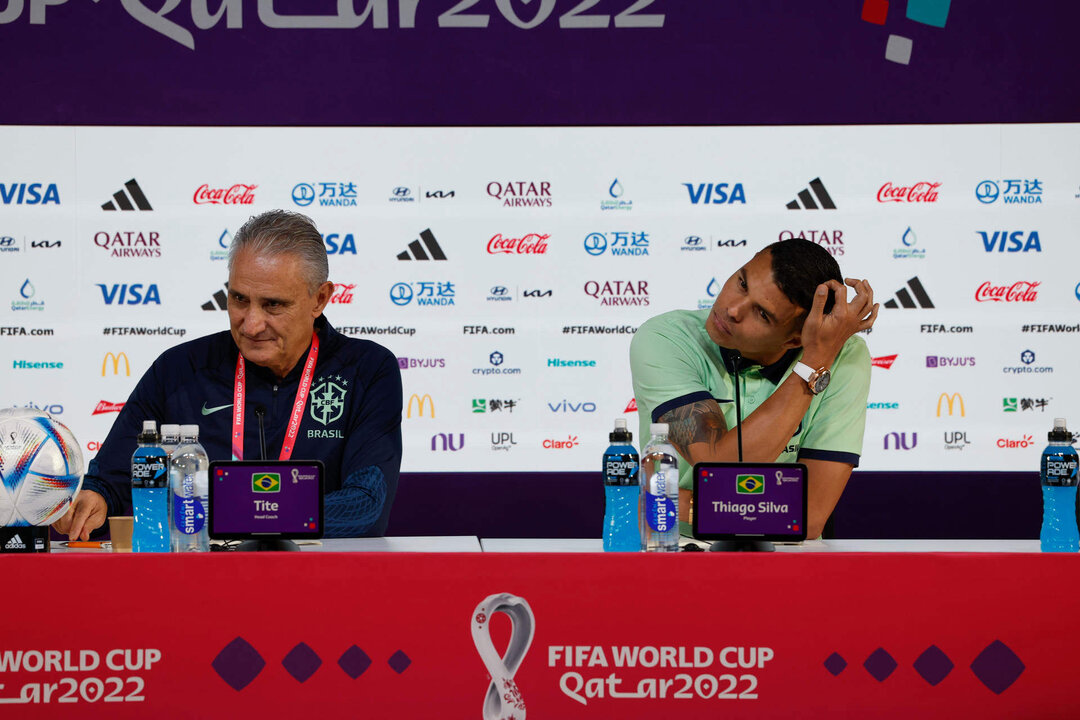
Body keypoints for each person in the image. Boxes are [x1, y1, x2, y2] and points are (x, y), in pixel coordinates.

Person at [54, 210, 402, 540]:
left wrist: (226, 513)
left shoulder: (367, 370)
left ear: (320, 299)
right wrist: (93, 498)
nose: (251, 324)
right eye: (238, 299)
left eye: (273, 305)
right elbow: (113, 480)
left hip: (316, 581)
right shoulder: (179, 368)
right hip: (200, 583)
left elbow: (365, 507)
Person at [630, 239, 877, 539]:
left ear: (793, 341)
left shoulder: (842, 357)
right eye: (742, 282)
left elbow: (810, 517)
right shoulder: (666, 338)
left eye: (762, 314)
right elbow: (717, 464)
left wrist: (815, 361)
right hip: (675, 546)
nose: (732, 308)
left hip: (784, 560)